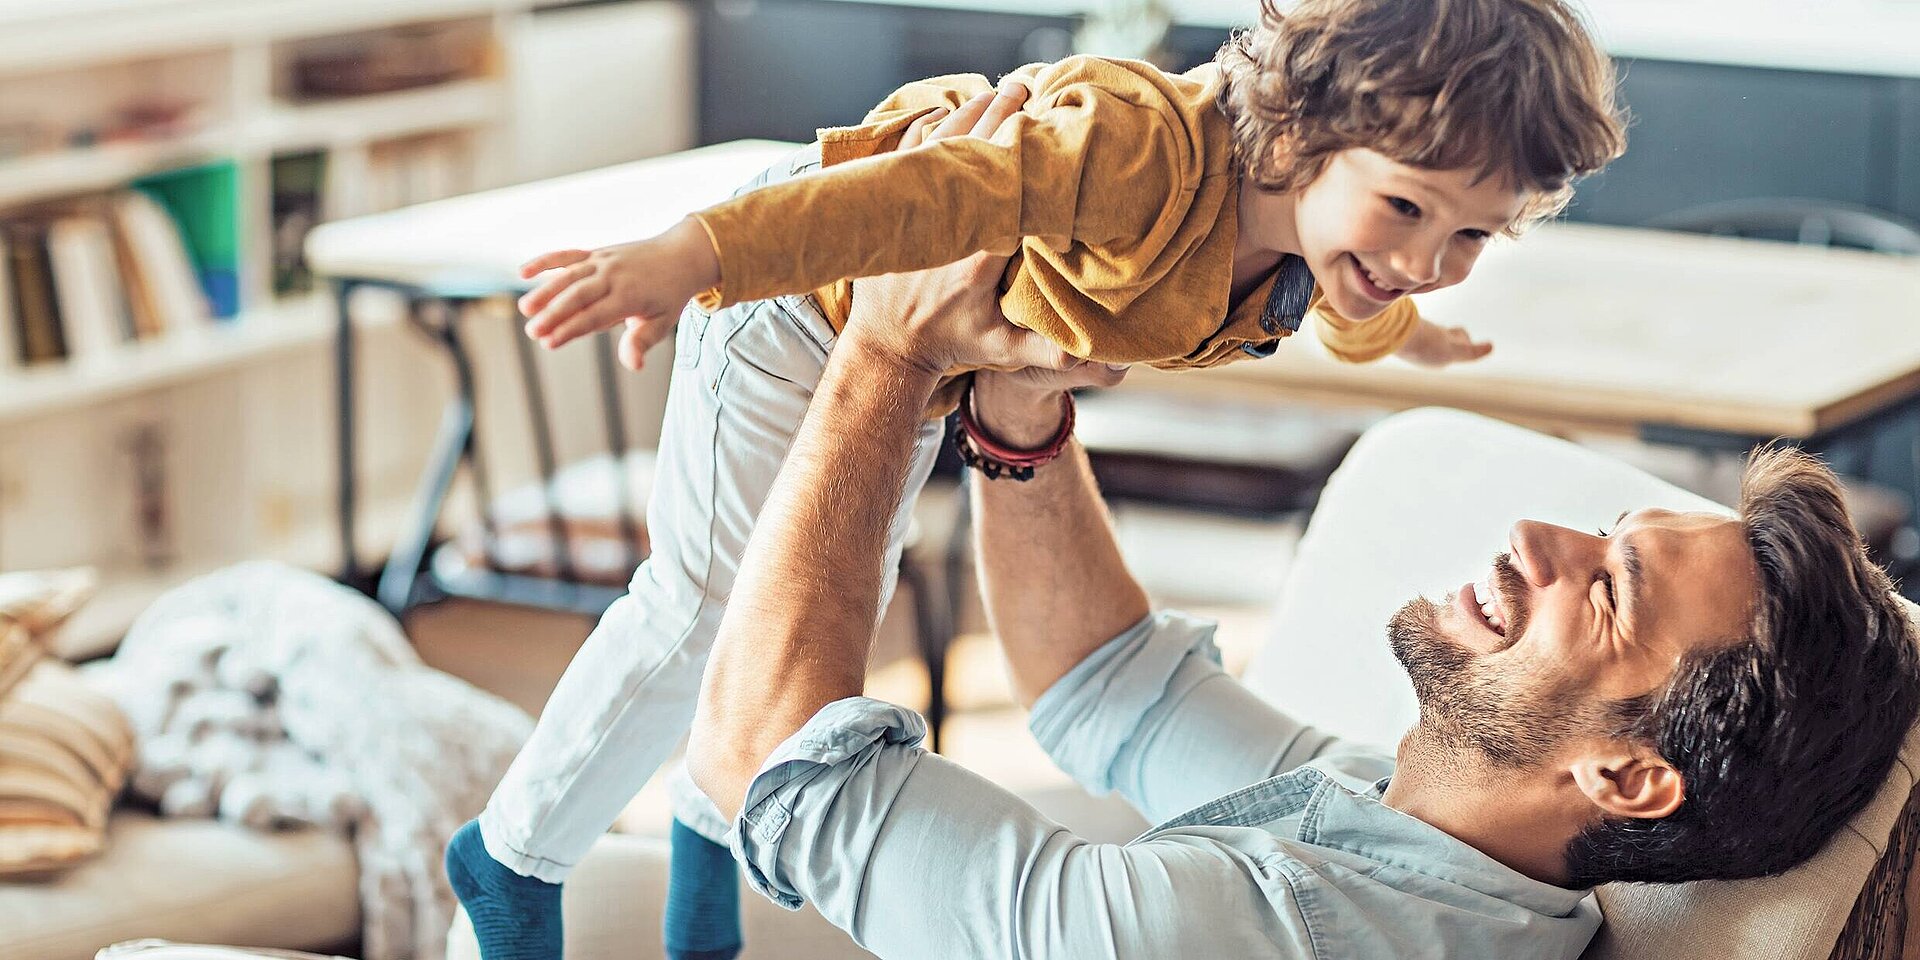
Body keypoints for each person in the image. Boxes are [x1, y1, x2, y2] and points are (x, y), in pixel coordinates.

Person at [447, 2, 1628, 957]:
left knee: (796, 613)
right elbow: (910, 202)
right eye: (1409, 209)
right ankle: (511, 856)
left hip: (932, 364)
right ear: (1306, 139)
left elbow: (1356, 294)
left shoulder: (1329, 247)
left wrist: (1408, 330)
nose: (1426, 258)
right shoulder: (1136, 151)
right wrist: (685, 255)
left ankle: (704, 897)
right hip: (806, 307)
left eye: (1473, 238)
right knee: (703, 610)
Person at [680, 214, 1920, 960]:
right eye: (1602, 532)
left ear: (1632, 779)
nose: (1540, 538)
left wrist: (892, 346)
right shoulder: (1428, 853)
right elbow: (1114, 690)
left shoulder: (1272, 936)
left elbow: (770, 768)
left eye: (1605, 591)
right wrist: (1021, 411)